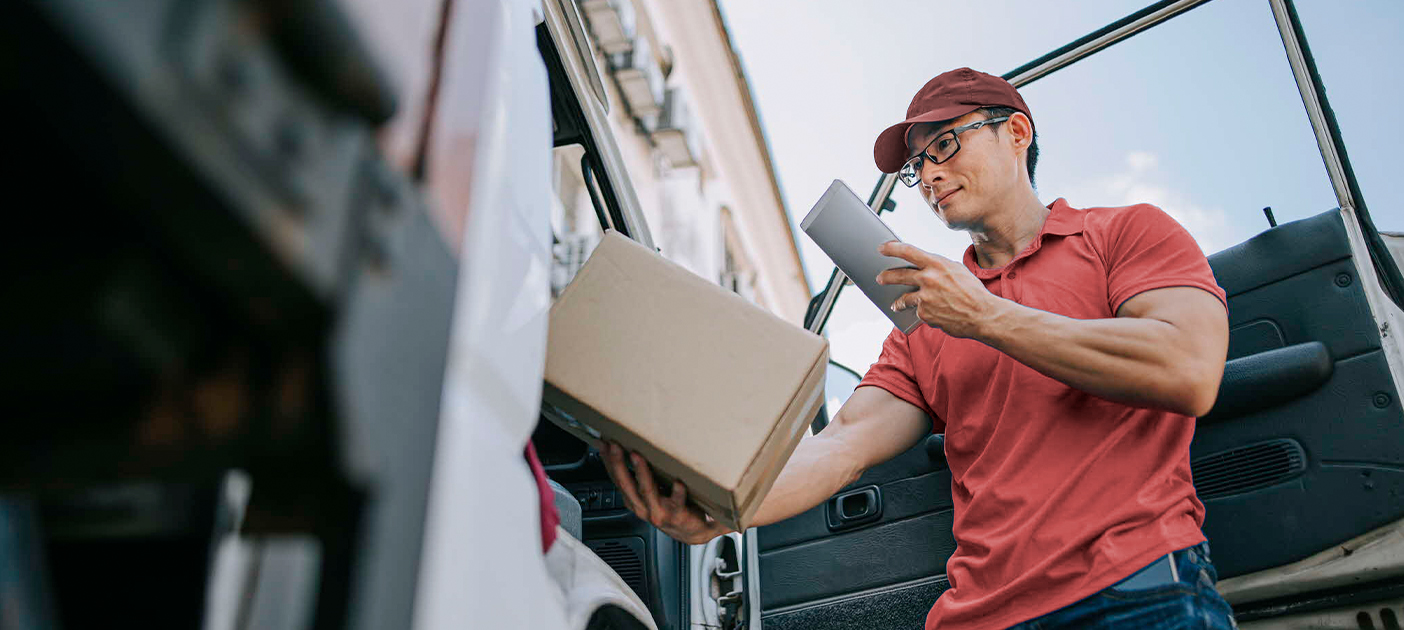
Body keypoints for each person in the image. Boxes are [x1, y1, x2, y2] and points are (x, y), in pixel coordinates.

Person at [602, 67, 1237, 630]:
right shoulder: (926, 320)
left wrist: (987, 316)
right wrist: (725, 513)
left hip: (1135, 592)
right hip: (978, 617)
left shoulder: (1125, 234)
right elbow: (842, 447)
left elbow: (1185, 367)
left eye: (945, 145)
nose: (930, 174)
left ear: (1017, 132)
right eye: (917, 165)